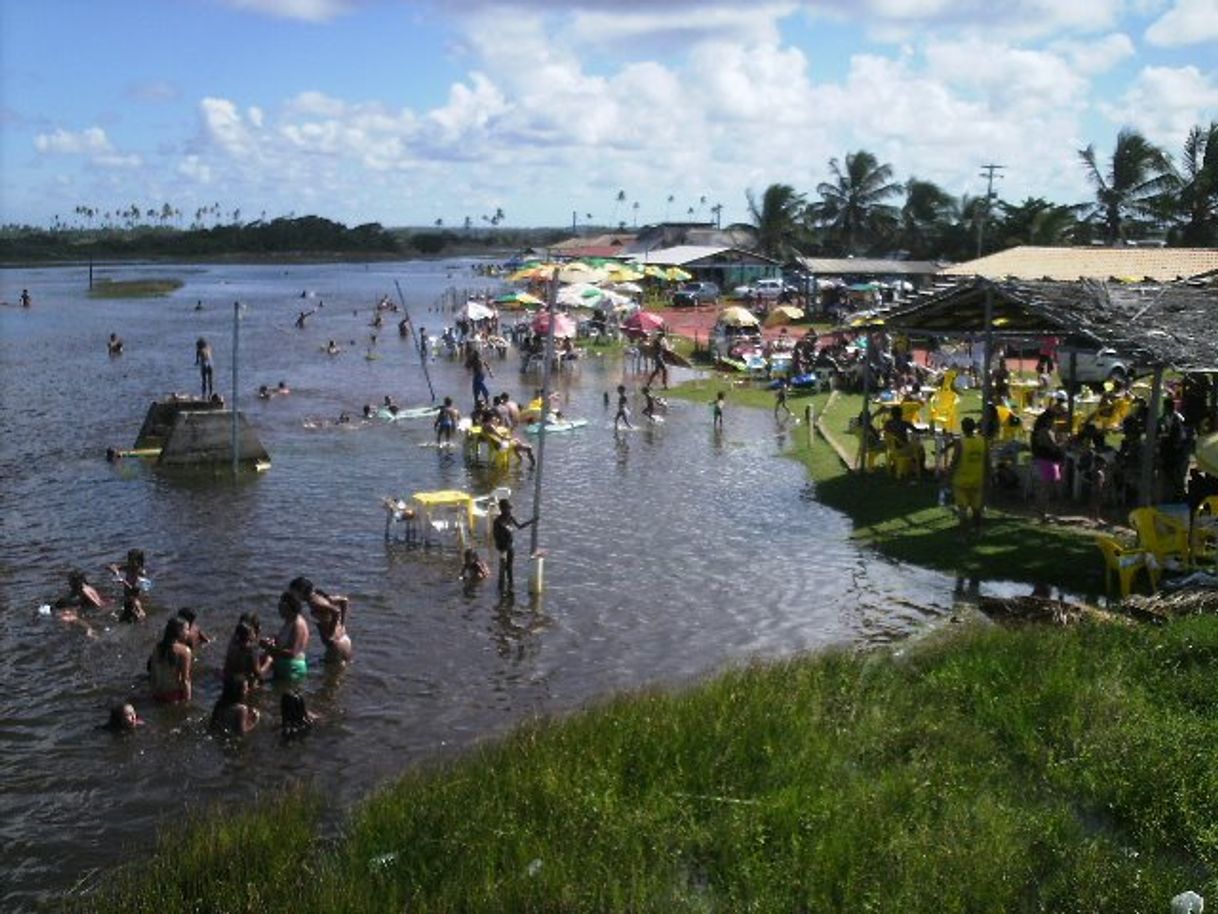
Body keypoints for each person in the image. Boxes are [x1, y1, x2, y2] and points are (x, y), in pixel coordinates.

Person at [288, 577, 352, 665]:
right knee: (339, 673)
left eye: (294, 593)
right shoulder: (321, 596)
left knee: (331, 677)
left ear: (301, 591)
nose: (293, 597)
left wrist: (331, 633)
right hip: (344, 640)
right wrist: (342, 624)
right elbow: (344, 601)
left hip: (335, 645)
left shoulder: (314, 603)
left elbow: (336, 611)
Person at [949, 417, 987, 533]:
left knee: (962, 509)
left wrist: (948, 476)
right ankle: (978, 530)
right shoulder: (982, 440)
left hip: (961, 481)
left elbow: (954, 461)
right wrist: (989, 476)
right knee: (976, 508)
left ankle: (963, 535)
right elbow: (988, 461)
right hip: (977, 480)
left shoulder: (960, 442)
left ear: (962, 428)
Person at [262, 591, 310, 680]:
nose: (279, 610)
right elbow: (286, 641)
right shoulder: (290, 620)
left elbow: (292, 653)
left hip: (292, 668)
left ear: (288, 607)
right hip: (287, 666)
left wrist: (269, 648)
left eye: (281, 607)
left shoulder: (297, 624)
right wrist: (273, 639)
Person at [1031, 400, 1065, 522]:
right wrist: (1064, 443)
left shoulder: (1048, 430)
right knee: (1044, 489)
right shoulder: (1043, 432)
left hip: (1050, 461)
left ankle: (1045, 512)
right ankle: (1040, 514)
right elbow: (1053, 446)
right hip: (1044, 462)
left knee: (1050, 489)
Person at [492, 498, 535, 595]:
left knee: (510, 567)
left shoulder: (510, 518)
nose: (509, 511)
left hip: (509, 545)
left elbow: (519, 526)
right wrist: (501, 546)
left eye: (509, 509)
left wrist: (531, 521)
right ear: (502, 509)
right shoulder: (497, 521)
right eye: (507, 509)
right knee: (503, 568)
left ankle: (511, 586)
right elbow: (495, 536)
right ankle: (501, 588)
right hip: (502, 547)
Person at [148, 617, 192, 703]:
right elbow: (185, 680)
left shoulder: (158, 647)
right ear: (179, 631)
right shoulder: (185, 651)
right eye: (186, 629)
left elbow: (152, 672)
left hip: (157, 693)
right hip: (174, 695)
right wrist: (188, 702)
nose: (188, 632)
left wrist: (153, 692)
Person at [223, 617, 272, 686]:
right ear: (250, 635)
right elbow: (258, 673)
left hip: (228, 679)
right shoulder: (251, 650)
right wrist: (268, 662)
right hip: (244, 683)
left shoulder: (233, 644)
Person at [108, 549, 148, 622]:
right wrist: (115, 570)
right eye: (130, 560)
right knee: (123, 618)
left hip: (134, 597)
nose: (131, 563)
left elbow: (135, 589)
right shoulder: (128, 567)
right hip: (127, 597)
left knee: (138, 613)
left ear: (140, 561)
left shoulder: (140, 572)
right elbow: (111, 566)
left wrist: (122, 581)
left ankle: (141, 617)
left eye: (133, 561)